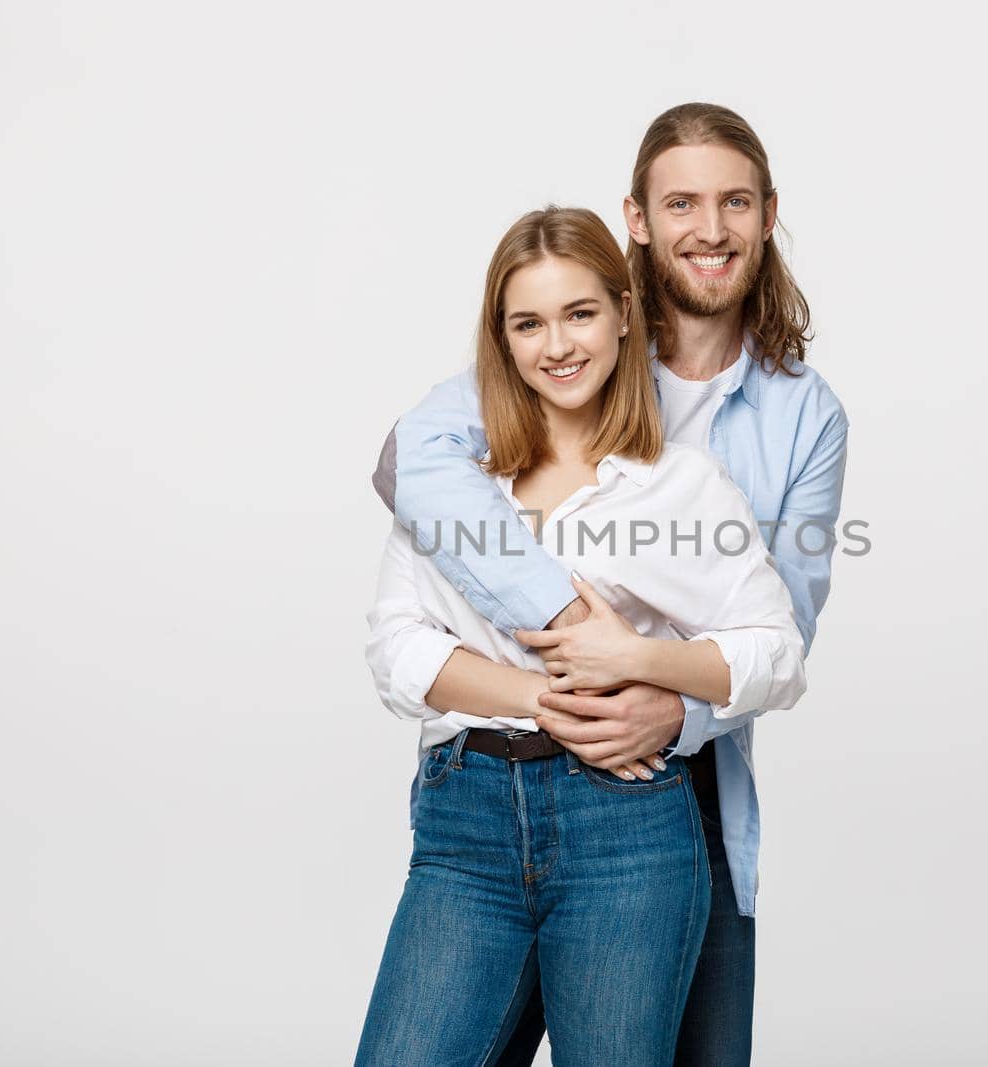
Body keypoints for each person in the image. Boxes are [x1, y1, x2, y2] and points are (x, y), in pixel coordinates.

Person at [373, 102, 849, 1065]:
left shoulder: (791, 424)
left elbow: (776, 635)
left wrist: (656, 696)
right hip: (474, 804)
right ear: (638, 218)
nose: (708, 229)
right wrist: (564, 656)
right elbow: (407, 488)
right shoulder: (486, 429)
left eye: (733, 203)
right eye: (682, 202)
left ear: (766, 214)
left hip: (662, 789)